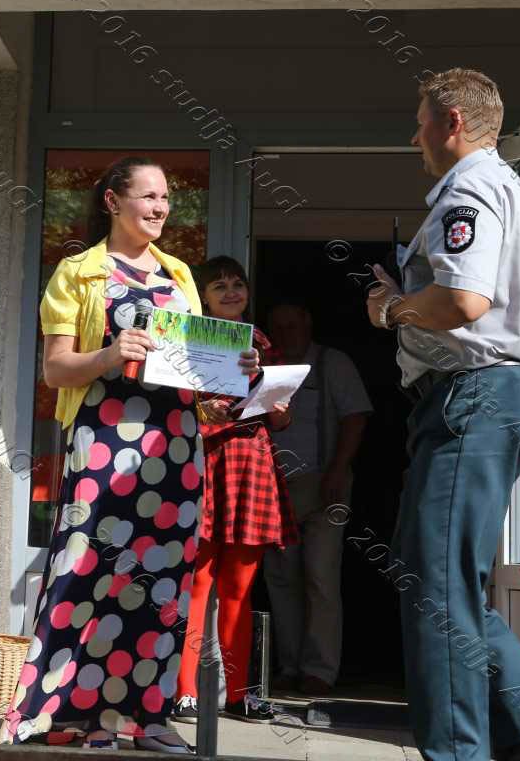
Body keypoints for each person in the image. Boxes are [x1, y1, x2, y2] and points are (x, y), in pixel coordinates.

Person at [0, 158, 262, 753]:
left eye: (166, 197)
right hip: (105, 440)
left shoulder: (180, 274)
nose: (161, 207)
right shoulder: (78, 272)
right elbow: (55, 369)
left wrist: (233, 374)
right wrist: (111, 355)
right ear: (113, 202)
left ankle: (147, 717)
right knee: (88, 571)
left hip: (176, 445)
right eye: (149, 196)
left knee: (162, 585)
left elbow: (191, 371)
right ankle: (74, 715)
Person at [366, 68, 520, 761]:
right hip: (497, 394)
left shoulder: (469, 189)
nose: (415, 137)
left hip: (473, 396)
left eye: (421, 121)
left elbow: (463, 300)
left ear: (452, 122)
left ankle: (459, 751)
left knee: (434, 585)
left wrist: (392, 309)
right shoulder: (514, 192)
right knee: (441, 575)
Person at [171, 256, 295, 726]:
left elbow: (282, 416)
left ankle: (240, 696)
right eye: (219, 285)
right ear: (203, 297)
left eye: (237, 283)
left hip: (250, 463)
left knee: (240, 589)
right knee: (197, 583)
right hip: (203, 461)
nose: (230, 291)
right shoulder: (187, 338)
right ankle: (184, 692)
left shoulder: (261, 341)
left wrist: (278, 406)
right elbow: (175, 405)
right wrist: (202, 413)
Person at [262, 302, 371, 697]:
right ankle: (290, 667)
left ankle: (319, 671)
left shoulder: (332, 363)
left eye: (292, 325)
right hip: (274, 487)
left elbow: (355, 417)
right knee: (281, 578)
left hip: (324, 483)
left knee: (320, 576)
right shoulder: (267, 364)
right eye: (278, 327)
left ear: (308, 323)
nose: (286, 334)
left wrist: (338, 470)